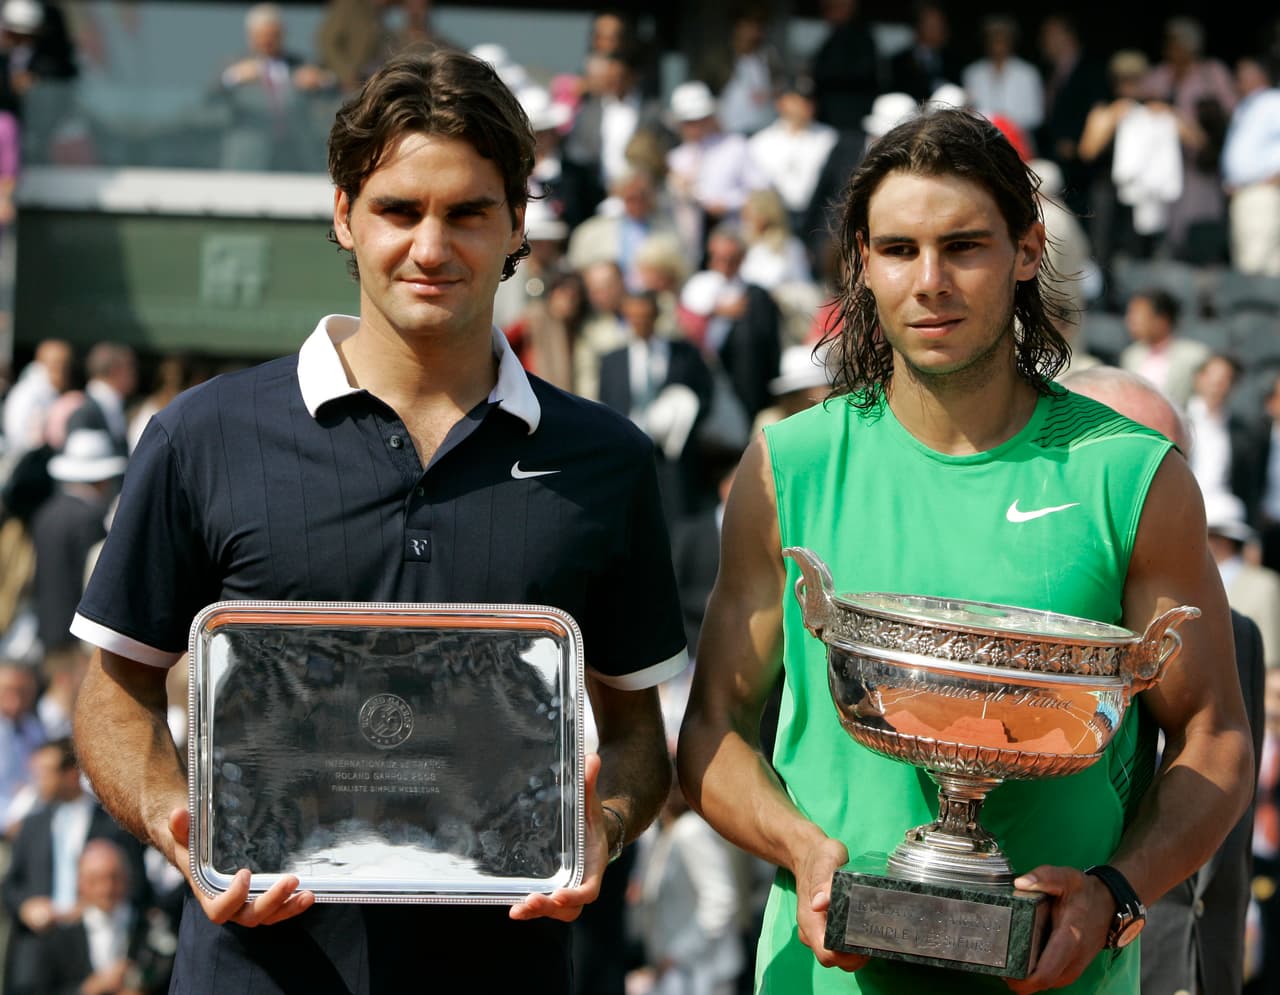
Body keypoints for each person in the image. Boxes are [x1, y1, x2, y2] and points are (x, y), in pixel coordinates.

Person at [68, 49, 687, 994]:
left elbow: (637, 731)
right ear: (343, 214)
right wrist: (174, 815)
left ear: (518, 223)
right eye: (399, 210)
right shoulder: (203, 436)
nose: (431, 248)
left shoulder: (606, 459)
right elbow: (114, 692)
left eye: (468, 213)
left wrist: (598, 825)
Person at [676, 106, 1253, 994]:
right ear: (862, 262)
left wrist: (1114, 892)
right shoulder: (787, 469)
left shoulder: (1131, 475)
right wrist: (801, 849)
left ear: (1027, 251)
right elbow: (712, 729)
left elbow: (1214, 736)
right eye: (899, 249)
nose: (930, 281)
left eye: (964, 247)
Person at [1059, 364, 1266, 995]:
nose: (1155, 488)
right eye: (1131, 465)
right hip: (1078, 962)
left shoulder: (1237, 636)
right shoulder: (1029, 636)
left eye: (1172, 467)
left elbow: (1226, 847)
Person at [1, 737, 149, 995]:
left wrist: (89, 904)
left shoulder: (114, 823)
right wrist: (27, 907)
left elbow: (138, 884)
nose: (38, 781)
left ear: (71, 774)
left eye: (46, 772)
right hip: (38, 945)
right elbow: (11, 885)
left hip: (97, 946)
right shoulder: (32, 825)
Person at [23, 837, 173, 995]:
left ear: (127, 878)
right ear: (80, 883)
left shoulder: (152, 927)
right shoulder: (58, 937)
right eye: (95, 881)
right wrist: (90, 988)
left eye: (114, 878)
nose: (106, 889)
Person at [30, 428, 126, 656]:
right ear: (103, 480)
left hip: (47, 630)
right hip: (77, 637)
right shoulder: (91, 519)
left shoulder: (46, 513)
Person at [1220, 55, 1280, 278]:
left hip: (1263, 191)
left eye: (1242, 76)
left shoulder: (1273, 101)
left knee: (1256, 267)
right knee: (1249, 263)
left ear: (1259, 76)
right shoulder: (1246, 106)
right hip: (1245, 193)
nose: (1237, 82)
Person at [1118, 286, 1210, 410]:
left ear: (1161, 320)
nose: (1130, 321)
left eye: (1138, 315)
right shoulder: (1131, 355)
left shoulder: (1195, 356)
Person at [63, 343, 136, 459]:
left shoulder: (112, 405)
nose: (134, 375)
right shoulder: (83, 411)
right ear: (116, 370)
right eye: (130, 368)